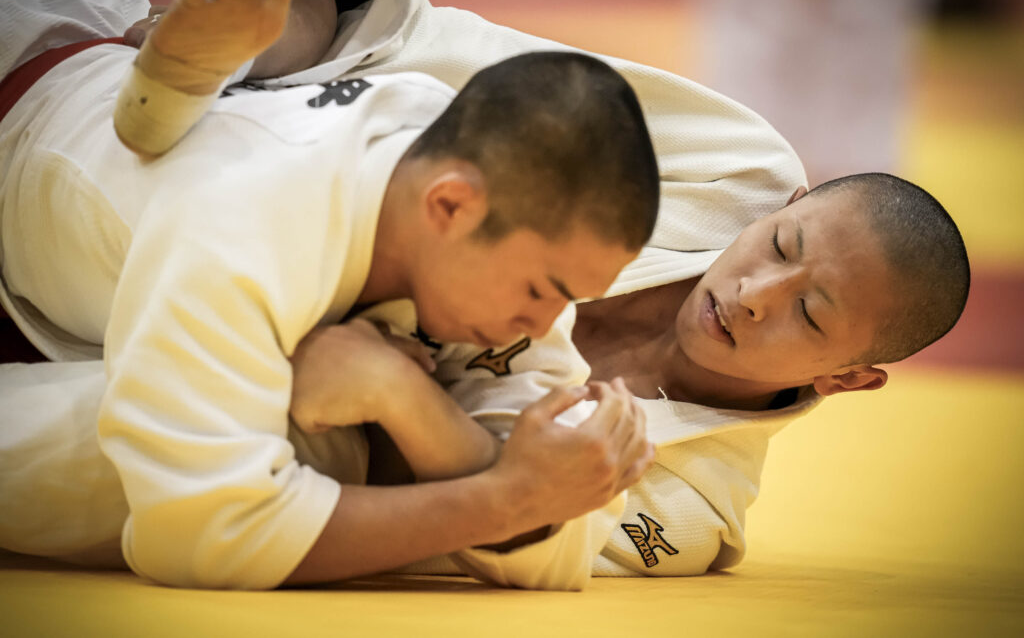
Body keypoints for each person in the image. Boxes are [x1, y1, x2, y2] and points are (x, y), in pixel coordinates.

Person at [0, 0, 663, 589]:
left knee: (314, 447)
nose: (544, 325)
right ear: (450, 205)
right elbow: (205, 537)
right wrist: (502, 501)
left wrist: (407, 400)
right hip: (25, 111)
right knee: (299, 448)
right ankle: (249, 41)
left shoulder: (480, 200)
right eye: (540, 291)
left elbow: (565, 539)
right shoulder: (255, 209)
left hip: (81, 301)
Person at [292, 172, 970, 589]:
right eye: (780, 245)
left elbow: (516, 543)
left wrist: (398, 393)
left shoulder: (696, 506)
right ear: (779, 206)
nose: (755, 294)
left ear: (846, 378)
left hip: (293, 464)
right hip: (306, 272)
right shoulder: (709, 179)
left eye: (810, 314)